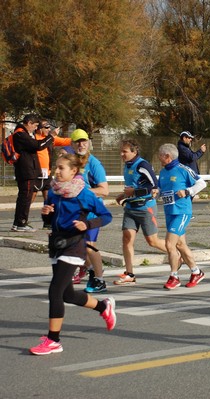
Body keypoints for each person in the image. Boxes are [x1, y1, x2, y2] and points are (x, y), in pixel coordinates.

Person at [30, 154, 115, 355]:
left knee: (55, 291)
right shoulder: (54, 192)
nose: (56, 172)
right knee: (67, 294)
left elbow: (106, 216)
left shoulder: (84, 194)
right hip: (57, 244)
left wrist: (87, 224)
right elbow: (52, 219)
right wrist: (46, 213)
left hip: (74, 246)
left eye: (61, 168)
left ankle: (53, 340)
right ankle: (103, 307)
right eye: (55, 168)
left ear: (73, 171)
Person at [113, 139, 167, 285]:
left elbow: (153, 186)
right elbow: (132, 186)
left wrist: (133, 191)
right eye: (121, 151)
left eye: (125, 151)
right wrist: (123, 195)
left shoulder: (143, 165)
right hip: (130, 208)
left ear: (134, 151)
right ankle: (129, 274)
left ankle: (175, 254)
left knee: (152, 241)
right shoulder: (127, 165)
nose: (121, 154)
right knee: (127, 238)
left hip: (145, 208)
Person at [157, 143, 207, 289]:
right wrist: (156, 193)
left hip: (182, 212)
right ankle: (196, 272)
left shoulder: (183, 170)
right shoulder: (163, 172)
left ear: (167, 156)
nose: (159, 158)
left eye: (160, 155)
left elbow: (201, 183)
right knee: (181, 245)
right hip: (169, 212)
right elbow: (161, 189)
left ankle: (174, 277)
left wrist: (188, 191)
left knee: (169, 244)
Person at [70, 129, 110, 292]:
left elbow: (104, 190)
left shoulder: (94, 163)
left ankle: (99, 279)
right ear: (72, 144)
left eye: (84, 141)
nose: (81, 144)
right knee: (77, 246)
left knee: (88, 246)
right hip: (75, 212)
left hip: (92, 212)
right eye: (78, 141)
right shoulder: (70, 161)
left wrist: (81, 191)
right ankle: (88, 269)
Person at [11, 114, 54, 232]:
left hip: (28, 171)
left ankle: (18, 223)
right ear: (29, 123)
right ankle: (21, 223)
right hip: (26, 172)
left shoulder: (24, 134)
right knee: (25, 198)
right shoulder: (20, 134)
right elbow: (38, 146)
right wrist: (50, 137)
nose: (36, 128)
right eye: (35, 125)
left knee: (25, 197)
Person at [31, 120, 72, 228]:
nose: (49, 130)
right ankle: (22, 220)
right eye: (46, 127)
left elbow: (64, 141)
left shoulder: (51, 139)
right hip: (35, 174)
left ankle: (47, 222)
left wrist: (78, 139)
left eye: (49, 128)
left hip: (47, 174)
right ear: (39, 129)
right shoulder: (34, 139)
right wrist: (52, 136)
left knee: (48, 198)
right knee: (30, 197)